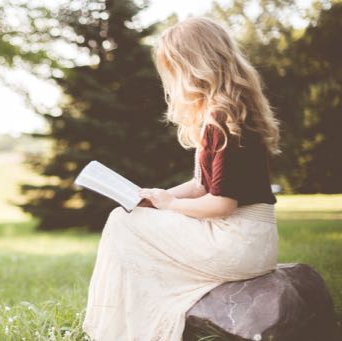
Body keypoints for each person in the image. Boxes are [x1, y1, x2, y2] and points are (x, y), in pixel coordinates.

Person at [82, 17, 281, 341]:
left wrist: (171, 205)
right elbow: (202, 186)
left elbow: (222, 204)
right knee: (131, 216)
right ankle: (127, 326)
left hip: (239, 239)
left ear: (194, 65)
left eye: (174, 68)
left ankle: (121, 330)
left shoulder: (222, 117)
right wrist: (157, 198)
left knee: (122, 222)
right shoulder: (226, 111)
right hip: (248, 238)